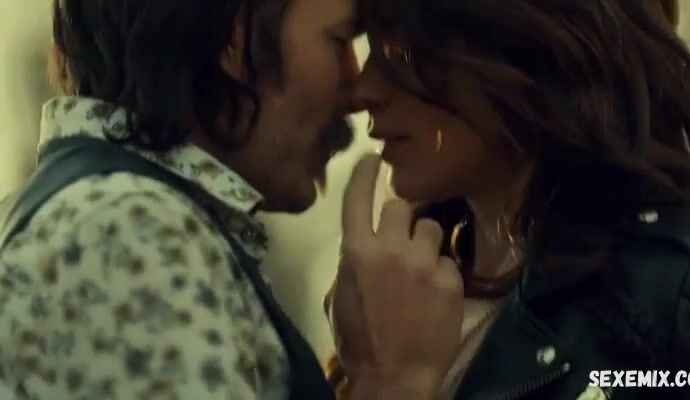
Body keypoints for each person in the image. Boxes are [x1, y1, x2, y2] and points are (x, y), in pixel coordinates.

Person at [0, 0, 464, 399]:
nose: (355, 88)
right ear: (232, 38)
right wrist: (391, 382)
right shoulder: (129, 233)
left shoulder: (101, 216)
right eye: (339, 40)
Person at [327, 0, 690, 399]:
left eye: (402, 49)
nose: (362, 90)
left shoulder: (683, 301)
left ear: (533, 42)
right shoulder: (398, 303)